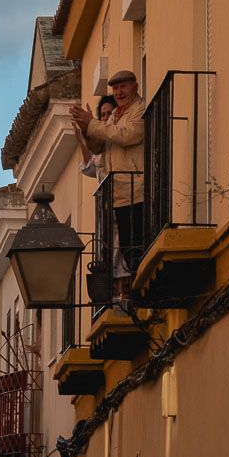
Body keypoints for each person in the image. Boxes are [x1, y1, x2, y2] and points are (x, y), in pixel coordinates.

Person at [70, 70, 146, 292]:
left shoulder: (138, 111)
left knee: (134, 252)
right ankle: (131, 293)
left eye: (123, 87)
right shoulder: (116, 115)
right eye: (115, 88)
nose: (119, 92)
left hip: (137, 192)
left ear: (135, 86)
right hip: (120, 195)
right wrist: (86, 130)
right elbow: (99, 148)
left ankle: (134, 294)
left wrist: (92, 124)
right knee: (128, 251)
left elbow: (126, 136)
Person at [75, 94, 117, 179]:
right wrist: (81, 141)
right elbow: (90, 169)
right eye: (102, 115)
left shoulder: (119, 134)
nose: (105, 118)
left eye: (109, 113)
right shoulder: (99, 141)